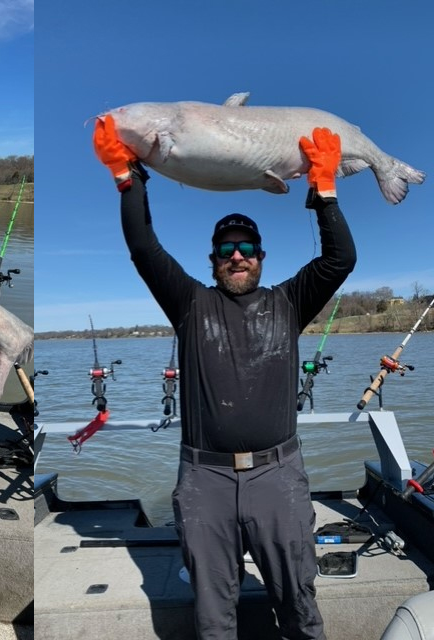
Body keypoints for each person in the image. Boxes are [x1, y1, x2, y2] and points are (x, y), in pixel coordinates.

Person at [94, 118, 357, 639]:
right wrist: (129, 178)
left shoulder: (289, 302)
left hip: (278, 477)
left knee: (301, 607)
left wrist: (323, 193)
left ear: (261, 257)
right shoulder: (190, 304)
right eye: (225, 250)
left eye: (246, 248)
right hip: (204, 481)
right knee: (215, 619)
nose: (236, 256)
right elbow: (144, 248)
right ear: (213, 261)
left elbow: (340, 258)